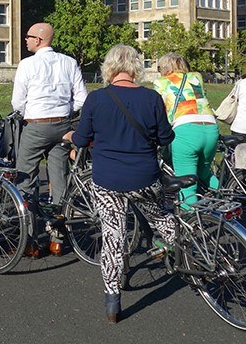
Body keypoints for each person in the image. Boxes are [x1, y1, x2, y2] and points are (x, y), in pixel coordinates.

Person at [68, 44, 176, 323]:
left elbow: (81, 139)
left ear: (109, 67)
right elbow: (166, 138)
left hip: (108, 179)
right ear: (135, 68)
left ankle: (113, 301)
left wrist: (70, 137)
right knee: (161, 218)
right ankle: (185, 251)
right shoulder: (151, 98)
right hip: (144, 176)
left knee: (113, 237)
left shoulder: (97, 100)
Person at [10, 23, 87, 214]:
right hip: (62, 125)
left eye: (28, 36)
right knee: (59, 176)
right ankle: (58, 236)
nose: (25, 40)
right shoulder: (69, 62)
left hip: (36, 125)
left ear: (38, 40)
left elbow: (17, 102)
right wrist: (65, 110)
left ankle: (28, 235)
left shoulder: (27, 64)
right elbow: (81, 98)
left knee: (25, 177)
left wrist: (30, 113)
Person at [152, 53, 219, 208]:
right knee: (204, 171)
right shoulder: (196, 77)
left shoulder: (161, 82)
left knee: (186, 182)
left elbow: (159, 110)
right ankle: (228, 198)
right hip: (210, 127)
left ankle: (192, 223)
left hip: (185, 130)